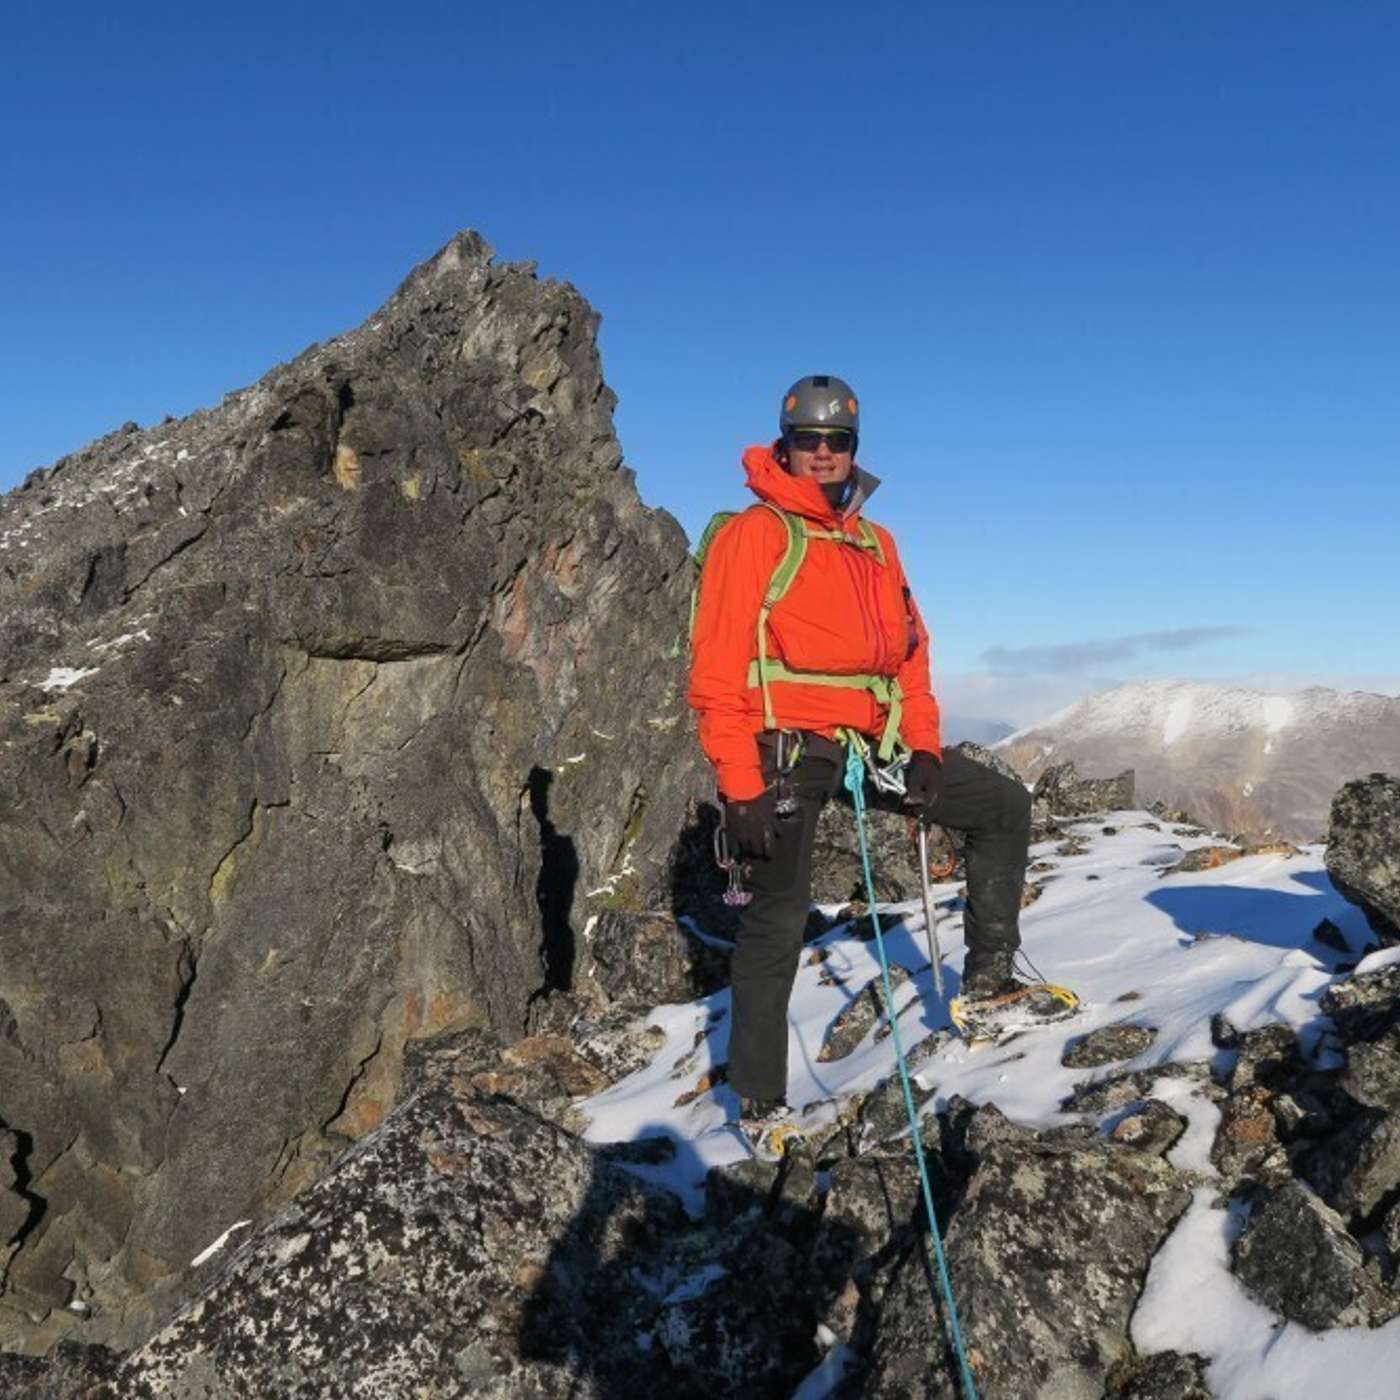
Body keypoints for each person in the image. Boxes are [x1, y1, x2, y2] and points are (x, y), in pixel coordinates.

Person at [687, 375, 1036, 1151]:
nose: (821, 453)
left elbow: (912, 657)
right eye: (806, 440)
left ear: (853, 450)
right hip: (783, 751)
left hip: (871, 746)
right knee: (776, 921)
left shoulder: (879, 545)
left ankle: (988, 980)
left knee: (1003, 809)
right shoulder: (756, 536)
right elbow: (715, 674)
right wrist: (739, 788)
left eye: (835, 441)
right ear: (784, 444)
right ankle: (761, 1103)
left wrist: (921, 746)